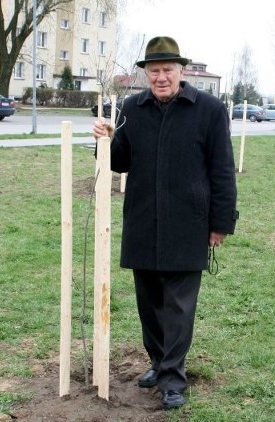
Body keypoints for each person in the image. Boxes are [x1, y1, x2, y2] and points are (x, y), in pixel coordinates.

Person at [92, 36, 239, 410]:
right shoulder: (131, 107)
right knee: (149, 305)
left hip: (188, 223)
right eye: (154, 71)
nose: (160, 78)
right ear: (145, 74)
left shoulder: (208, 109)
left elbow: (222, 170)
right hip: (143, 221)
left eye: (167, 71)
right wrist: (106, 140)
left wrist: (220, 223)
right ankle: (159, 363)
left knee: (178, 307)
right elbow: (120, 161)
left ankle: (174, 378)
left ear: (181, 71)